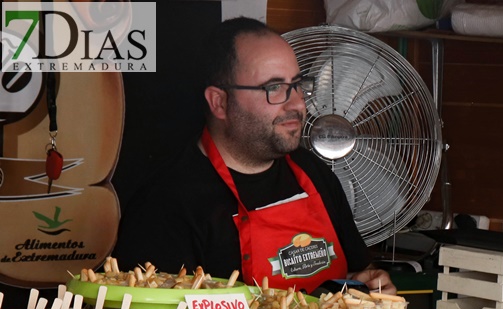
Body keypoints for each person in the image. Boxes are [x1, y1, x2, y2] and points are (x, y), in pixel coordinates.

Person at [114, 17, 395, 294]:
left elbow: (355, 278)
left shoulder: (314, 173)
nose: (297, 103)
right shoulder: (166, 205)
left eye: (297, 84)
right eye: (274, 88)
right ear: (219, 102)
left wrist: (367, 284)